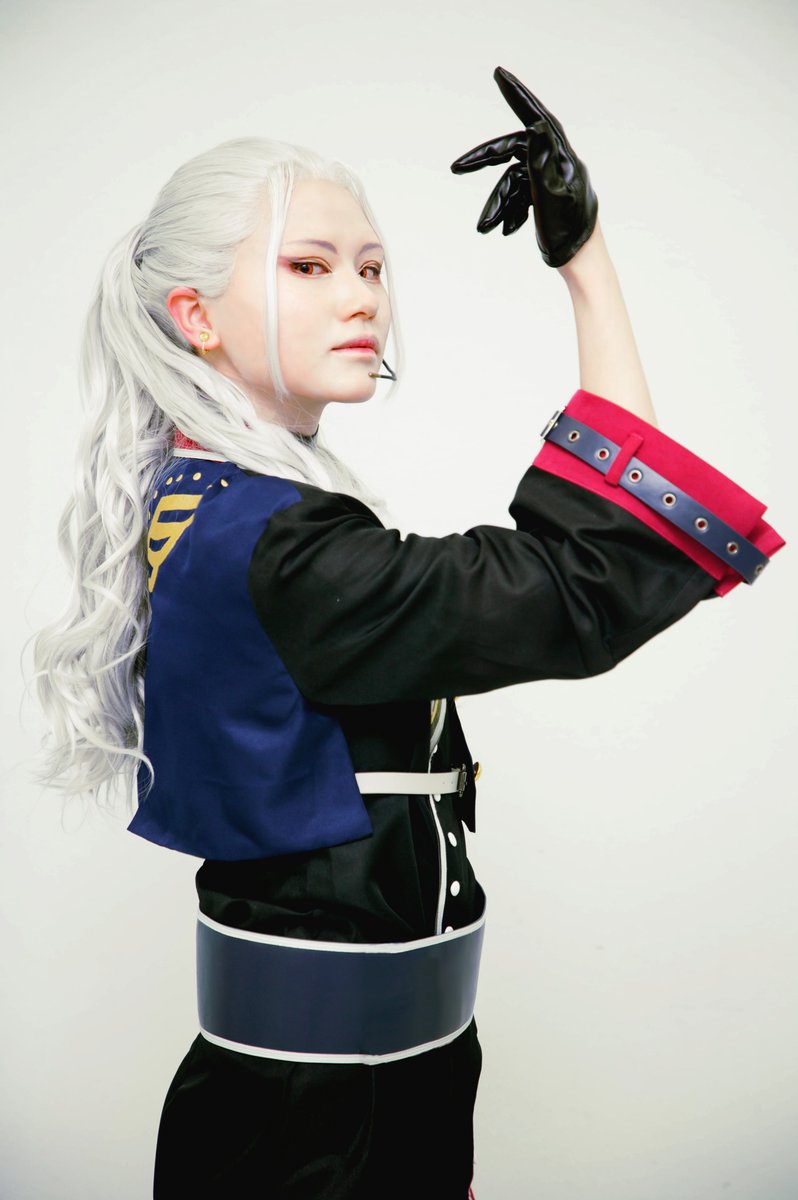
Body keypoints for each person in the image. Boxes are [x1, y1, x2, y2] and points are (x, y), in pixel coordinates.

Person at [33, 65, 783, 1200]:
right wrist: (586, 265)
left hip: (330, 1105)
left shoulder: (201, 499)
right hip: (326, 1133)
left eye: (372, 267)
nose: (362, 299)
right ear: (196, 317)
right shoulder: (284, 549)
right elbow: (587, 579)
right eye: (309, 266)